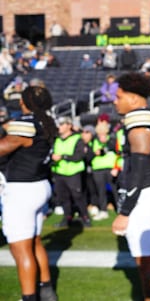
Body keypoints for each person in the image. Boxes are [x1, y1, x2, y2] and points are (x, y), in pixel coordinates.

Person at [111, 72, 150, 301]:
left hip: (144, 192)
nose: (115, 101)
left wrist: (125, 212)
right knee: (146, 260)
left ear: (134, 98)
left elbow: (139, 168)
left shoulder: (138, 119)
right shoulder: (147, 115)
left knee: (145, 260)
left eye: (119, 96)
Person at [0, 86, 59, 301]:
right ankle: (46, 288)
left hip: (22, 189)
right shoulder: (46, 121)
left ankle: (29, 297)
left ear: (25, 102)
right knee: (34, 241)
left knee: (20, 247)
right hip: (39, 184)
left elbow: (4, 147)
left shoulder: (26, 124)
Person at [51, 117, 92, 228]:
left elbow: (79, 156)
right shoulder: (57, 139)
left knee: (78, 196)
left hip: (73, 172)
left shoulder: (77, 139)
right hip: (59, 172)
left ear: (69, 125)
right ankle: (67, 217)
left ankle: (85, 217)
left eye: (62, 124)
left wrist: (63, 157)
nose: (59, 127)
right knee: (63, 197)